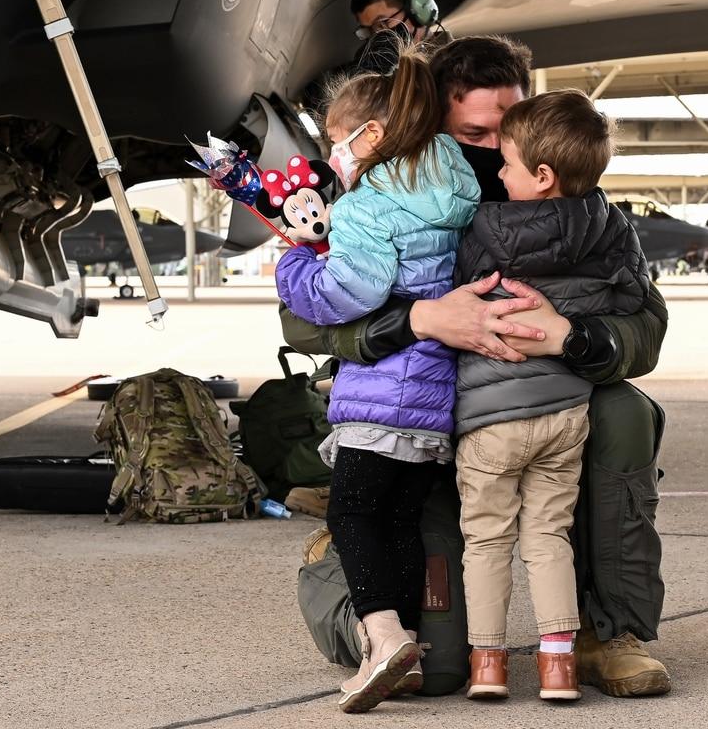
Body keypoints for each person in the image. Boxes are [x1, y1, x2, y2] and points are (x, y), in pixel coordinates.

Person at [284, 35, 671, 698]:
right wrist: (420, 320)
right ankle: (346, 588)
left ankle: (611, 630)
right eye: (476, 133)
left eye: (509, 130)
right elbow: (305, 320)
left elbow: (647, 326)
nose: (495, 150)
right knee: (436, 671)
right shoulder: (400, 193)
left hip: (532, 394)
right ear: (438, 122)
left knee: (624, 412)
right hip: (428, 404)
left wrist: (571, 336)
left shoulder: (566, 195)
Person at [274, 48, 479, 713]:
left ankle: (382, 635)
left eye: (336, 140)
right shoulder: (452, 189)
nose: (334, 153)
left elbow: (347, 294)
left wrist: (296, 263)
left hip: (379, 394)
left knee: (351, 515)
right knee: (399, 521)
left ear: (374, 135)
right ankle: (411, 649)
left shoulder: (368, 204)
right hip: (433, 401)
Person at [454, 90, 650, 703]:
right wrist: (576, 330)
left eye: (507, 163)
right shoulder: (611, 225)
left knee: (486, 539)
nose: (498, 172)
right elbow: (632, 301)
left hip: (491, 416)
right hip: (564, 415)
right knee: (548, 537)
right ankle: (558, 665)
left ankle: (487, 663)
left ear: (540, 176)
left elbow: (457, 292)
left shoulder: (483, 225)